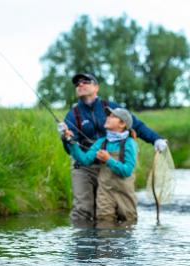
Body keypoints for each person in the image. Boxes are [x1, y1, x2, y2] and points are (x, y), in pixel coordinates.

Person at [58, 73, 167, 222]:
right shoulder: (72, 114)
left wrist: (156, 139)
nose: (80, 85)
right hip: (84, 165)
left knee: (110, 211)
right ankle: (83, 244)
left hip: (110, 165)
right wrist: (66, 139)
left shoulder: (113, 108)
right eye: (77, 84)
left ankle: (109, 239)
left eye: (85, 81)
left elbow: (136, 125)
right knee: (83, 209)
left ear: (96, 87)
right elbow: (70, 149)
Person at [64, 107, 138, 224]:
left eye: (113, 116)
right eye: (108, 115)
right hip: (105, 192)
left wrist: (108, 160)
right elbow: (85, 160)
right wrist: (71, 141)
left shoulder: (129, 143)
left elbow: (127, 171)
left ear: (122, 124)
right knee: (104, 222)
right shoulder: (101, 142)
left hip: (124, 192)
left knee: (128, 222)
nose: (108, 118)